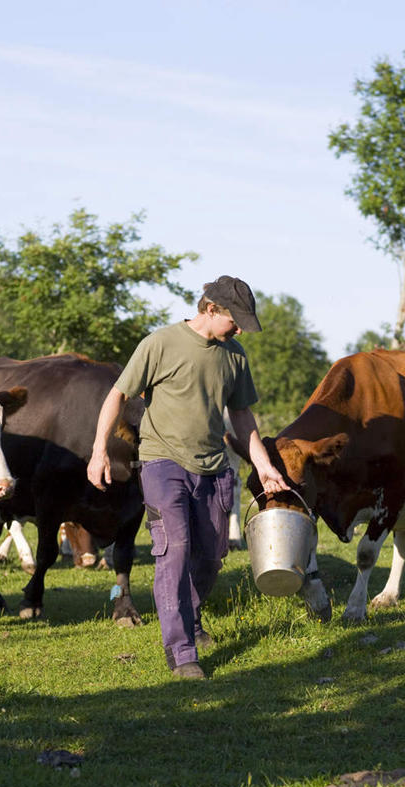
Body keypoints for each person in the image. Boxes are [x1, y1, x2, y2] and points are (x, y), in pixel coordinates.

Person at [87, 275, 289, 679]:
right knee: (174, 550)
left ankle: (192, 620)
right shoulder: (160, 343)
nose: (239, 330)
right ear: (210, 309)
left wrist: (264, 466)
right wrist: (99, 452)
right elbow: (118, 395)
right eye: (235, 320)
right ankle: (182, 653)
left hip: (213, 469)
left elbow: (243, 416)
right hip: (163, 462)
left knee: (210, 556)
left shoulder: (235, 356)